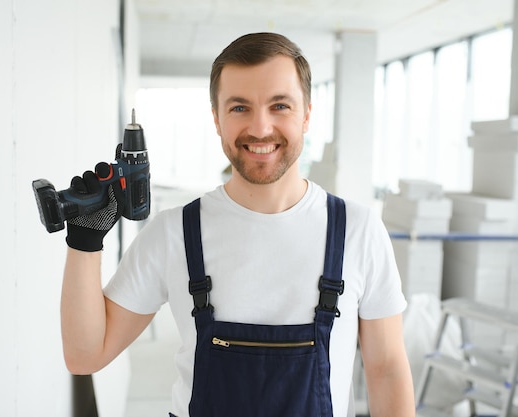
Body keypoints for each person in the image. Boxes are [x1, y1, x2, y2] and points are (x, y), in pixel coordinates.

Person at [60, 32, 415, 417]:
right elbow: (85, 356)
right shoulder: (173, 233)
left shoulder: (358, 232)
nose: (260, 128)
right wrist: (84, 239)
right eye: (239, 108)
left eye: (279, 105)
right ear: (216, 118)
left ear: (307, 114)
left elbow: (386, 371)